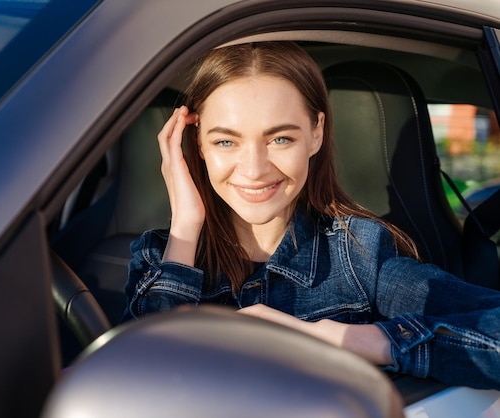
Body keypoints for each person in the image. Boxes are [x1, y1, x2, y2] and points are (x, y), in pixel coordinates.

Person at [123, 41, 500, 390]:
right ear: (199, 144)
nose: (254, 169)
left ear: (316, 134)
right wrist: (186, 227)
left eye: (280, 139)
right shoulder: (160, 256)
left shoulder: (359, 255)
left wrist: (343, 339)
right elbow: (135, 386)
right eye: (226, 141)